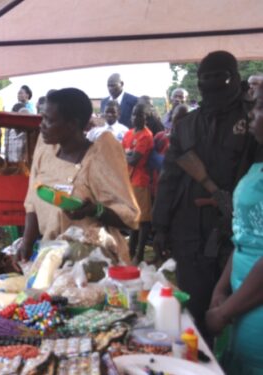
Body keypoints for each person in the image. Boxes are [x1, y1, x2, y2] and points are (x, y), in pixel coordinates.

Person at [153, 51, 260, 342]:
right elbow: (169, 180)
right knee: (196, 310)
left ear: (235, 79)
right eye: (205, 80)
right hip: (190, 229)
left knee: (237, 307)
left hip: (240, 231)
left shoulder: (254, 118)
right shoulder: (187, 125)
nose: (212, 86)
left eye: (220, 78)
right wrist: (160, 226)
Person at [21, 88, 139, 264]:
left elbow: (129, 217)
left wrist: (95, 210)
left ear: (72, 124)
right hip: (52, 257)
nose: (42, 125)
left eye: (49, 120)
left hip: (94, 261)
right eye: (43, 117)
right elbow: (32, 201)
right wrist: (26, 243)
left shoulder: (99, 157)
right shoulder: (46, 150)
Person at [206, 86, 263, 374]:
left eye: (260, 107)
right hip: (240, 293)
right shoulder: (258, 165)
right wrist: (221, 287)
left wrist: (225, 311)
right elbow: (246, 236)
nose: (252, 113)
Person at [122, 103, 154, 264]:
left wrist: (126, 154)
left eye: (139, 115)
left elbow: (134, 160)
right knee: (133, 218)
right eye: (134, 114)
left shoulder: (146, 135)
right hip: (128, 180)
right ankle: (130, 250)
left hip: (140, 180)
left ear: (145, 118)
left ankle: (139, 253)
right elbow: (121, 154)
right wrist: (128, 154)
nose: (135, 118)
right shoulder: (128, 134)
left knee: (143, 220)